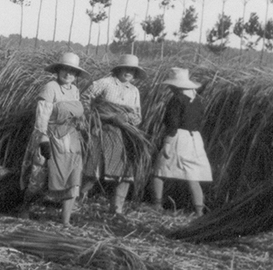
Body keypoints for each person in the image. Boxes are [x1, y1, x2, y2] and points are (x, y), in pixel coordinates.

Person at [80, 54, 144, 215]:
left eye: (132, 70)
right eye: (126, 69)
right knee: (93, 169)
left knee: (125, 173)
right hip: (102, 131)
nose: (128, 72)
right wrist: (96, 117)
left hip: (124, 135)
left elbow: (137, 116)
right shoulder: (104, 83)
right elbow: (84, 98)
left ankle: (117, 209)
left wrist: (125, 119)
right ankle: (76, 200)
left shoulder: (134, 91)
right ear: (119, 69)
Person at [150, 68, 213, 217]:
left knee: (159, 172)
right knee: (193, 176)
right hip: (195, 140)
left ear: (175, 86)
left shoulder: (176, 99)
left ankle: (157, 206)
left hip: (178, 137)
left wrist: (167, 142)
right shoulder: (197, 100)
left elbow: (172, 123)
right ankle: (199, 212)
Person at [34, 52, 88, 226]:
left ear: (76, 74)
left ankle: (65, 220)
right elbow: (42, 114)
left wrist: (81, 124)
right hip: (51, 136)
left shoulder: (75, 90)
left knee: (73, 179)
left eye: (72, 71)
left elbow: (76, 115)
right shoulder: (51, 87)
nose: (68, 74)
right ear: (58, 70)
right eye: (65, 69)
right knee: (39, 175)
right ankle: (24, 207)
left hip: (71, 139)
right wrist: (42, 137)